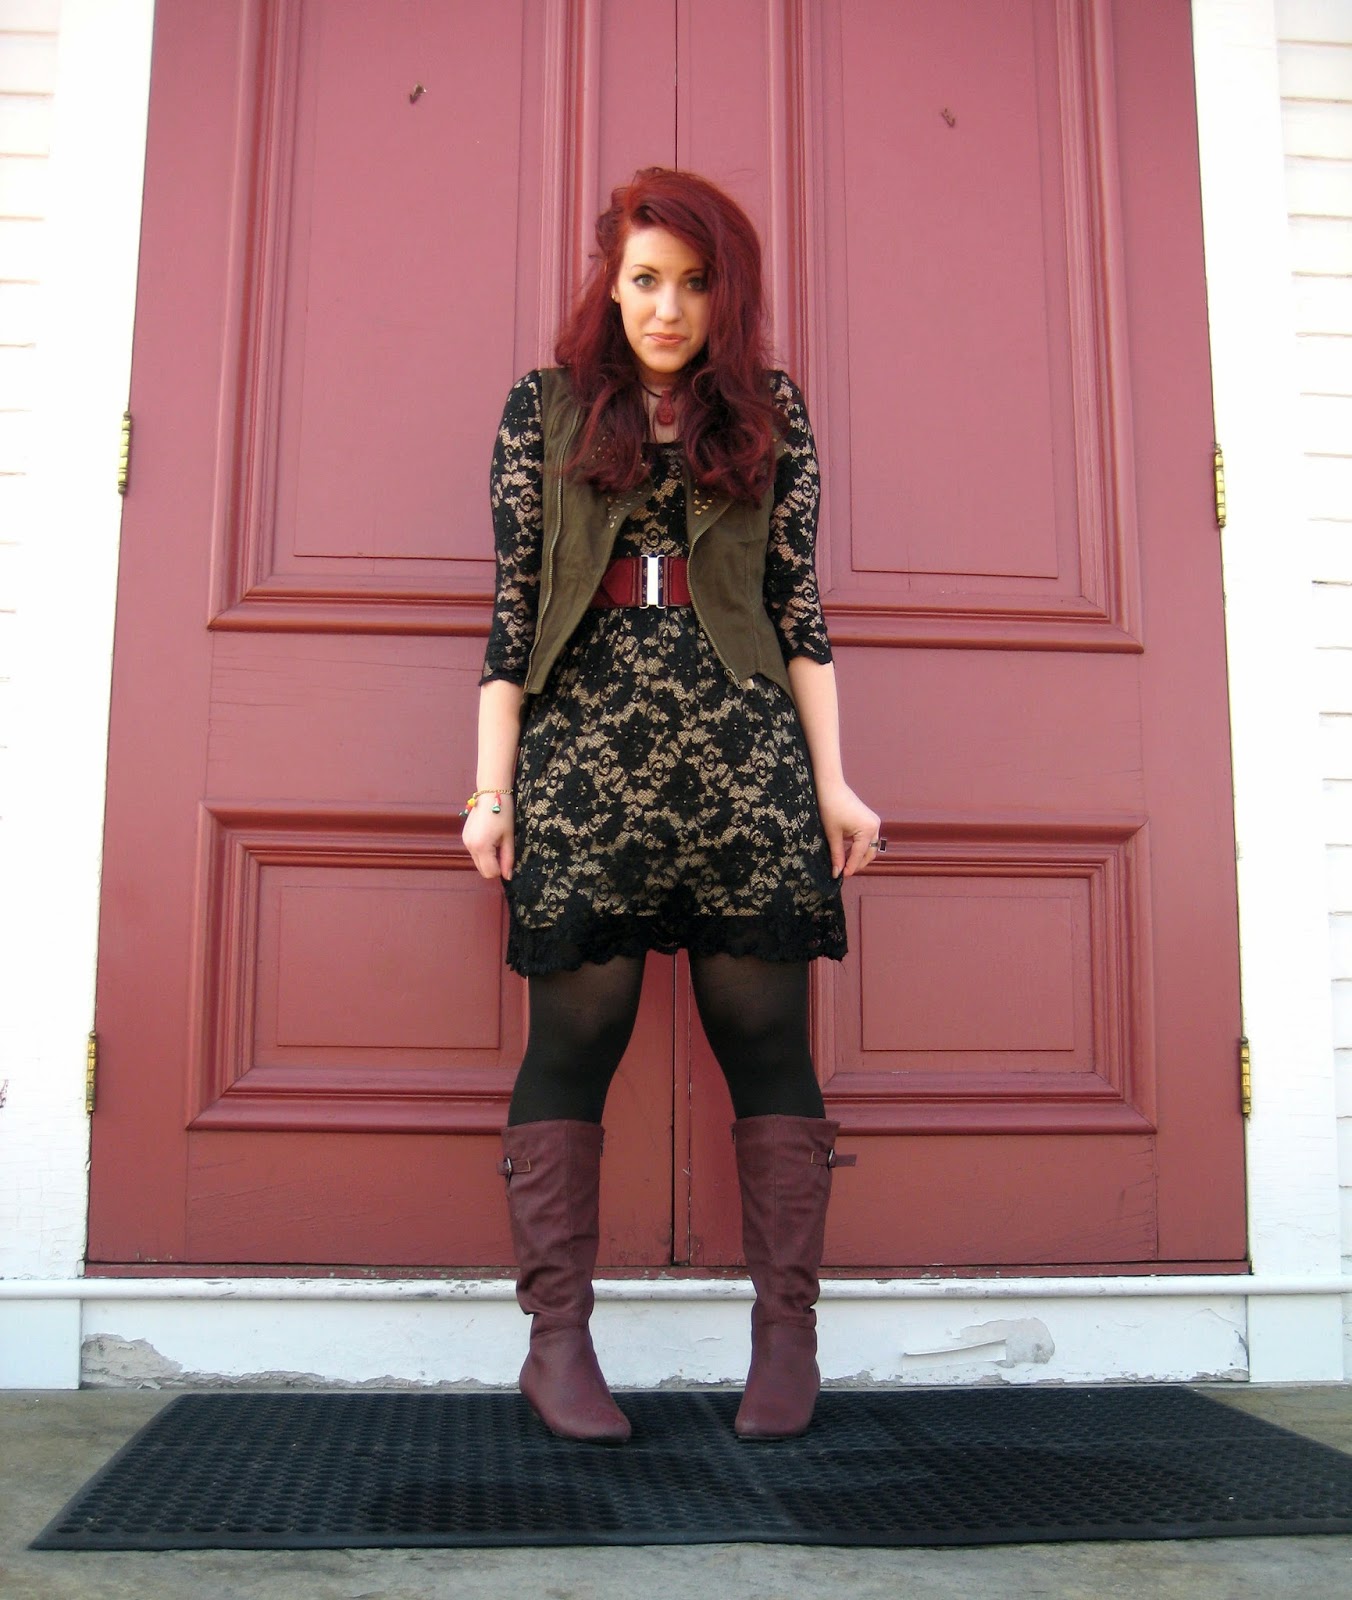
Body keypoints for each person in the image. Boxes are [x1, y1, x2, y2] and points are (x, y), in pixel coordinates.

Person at [462, 167, 882, 1445]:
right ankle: (555, 1343)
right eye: (644, 279)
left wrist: (832, 780)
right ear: (610, 284)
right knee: (573, 1037)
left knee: (763, 1033)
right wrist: (489, 791)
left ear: (722, 296)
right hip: (585, 751)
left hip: (740, 746)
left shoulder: (767, 414)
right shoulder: (543, 410)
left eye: (694, 284)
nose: (666, 307)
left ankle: (786, 1338)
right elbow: (511, 611)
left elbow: (799, 609)